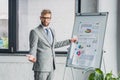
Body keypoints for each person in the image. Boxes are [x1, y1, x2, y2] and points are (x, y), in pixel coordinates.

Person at [27, 9, 77, 80]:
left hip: (51, 66)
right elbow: (33, 47)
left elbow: (54, 45)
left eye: (48, 18)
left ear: (50, 19)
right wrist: (32, 56)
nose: (46, 20)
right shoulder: (35, 31)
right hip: (41, 67)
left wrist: (69, 41)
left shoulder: (52, 31)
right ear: (40, 18)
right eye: (44, 18)